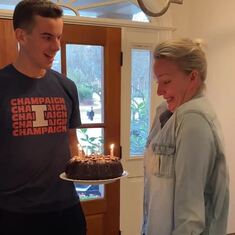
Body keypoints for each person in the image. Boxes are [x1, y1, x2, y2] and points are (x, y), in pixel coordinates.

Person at [0, 1, 86, 234]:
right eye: (47, 37)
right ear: (21, 35)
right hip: (14, 215)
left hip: (67, 210)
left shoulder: (67, 86)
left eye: (59, 37)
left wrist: (84, 164)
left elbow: (71, 140)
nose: (56, 46)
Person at [142, 38, 229, 235]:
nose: (159, 90)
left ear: (193, 78)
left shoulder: (193, 120)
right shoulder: (165, 112)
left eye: (166, 81)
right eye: (158, 82)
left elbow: (190, 219)